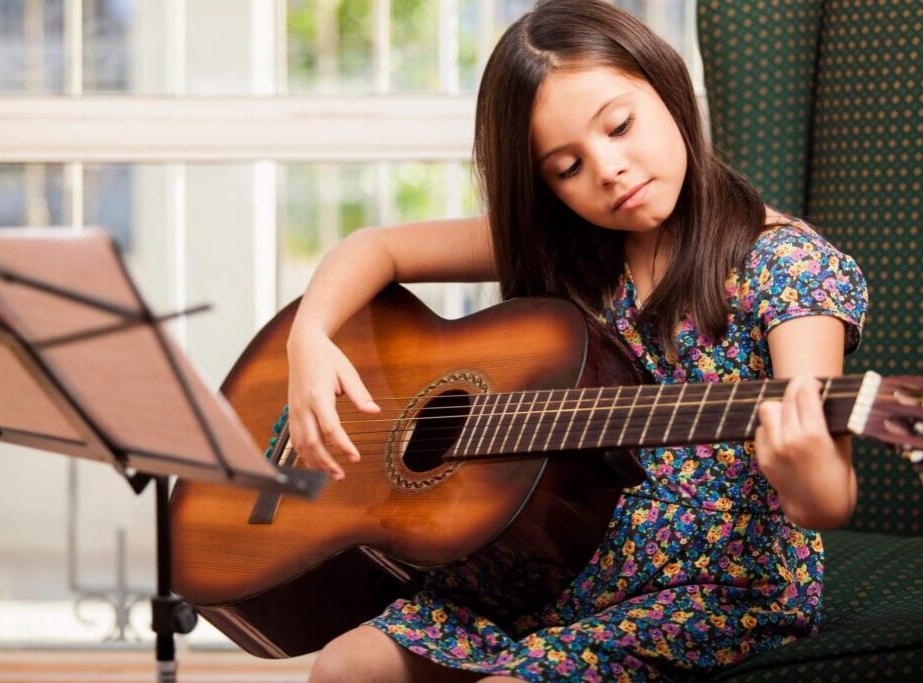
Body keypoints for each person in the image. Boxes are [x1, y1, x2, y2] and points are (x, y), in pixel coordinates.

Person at [286, 1, 868, 681]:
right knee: (344, 665)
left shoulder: (788, 268)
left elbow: (827, 496)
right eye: (567, 167)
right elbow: (376, 246)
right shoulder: (575, 248)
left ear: (666, 85)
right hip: (556, 560)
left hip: (716, 591)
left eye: (620, 126)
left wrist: (808, 473)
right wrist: (310, 336)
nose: (610, 169)